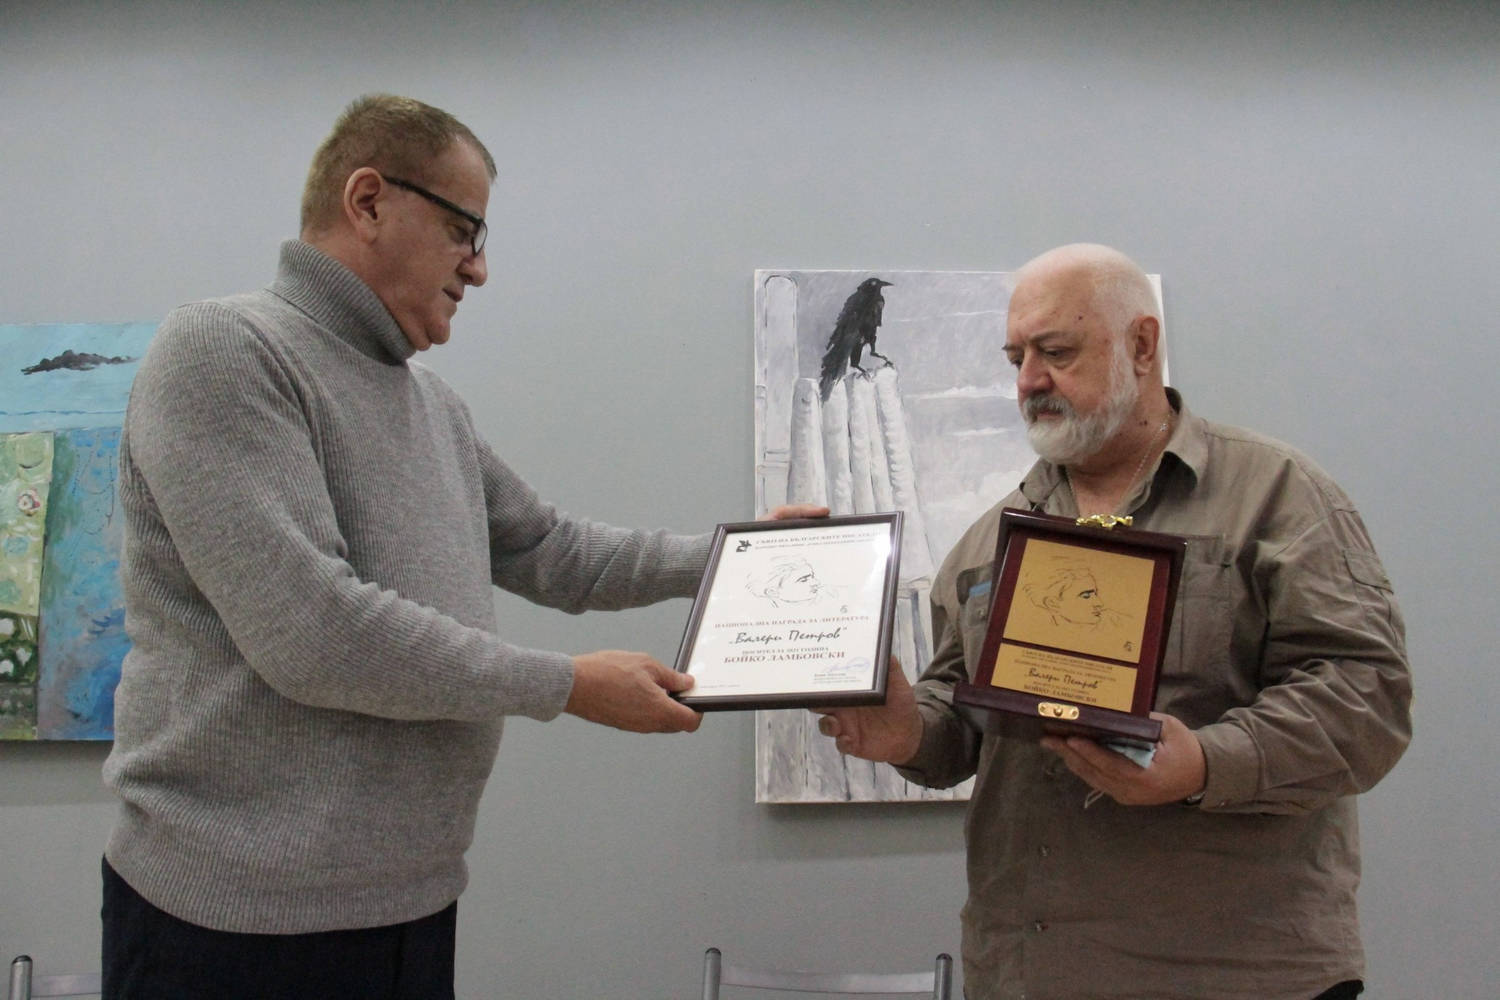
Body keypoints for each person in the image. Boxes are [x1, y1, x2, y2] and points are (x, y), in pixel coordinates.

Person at [100, 94, 818, 1000]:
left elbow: (552, 549)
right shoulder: (222, 352)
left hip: (412, 905)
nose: (478, 268)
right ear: (368, 201)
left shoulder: (431, 405)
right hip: (234, 926)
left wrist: (742, 558)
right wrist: (567, 685)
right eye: (463, 230)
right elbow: (314, 634)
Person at [816, 243, 1411, 1000]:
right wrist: (903, 731)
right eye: (1017, 358)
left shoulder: (1279, 496)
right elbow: (959, 719)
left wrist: (1206, 764)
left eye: (1056, 351)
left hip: (1234, 979)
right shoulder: (988, 540)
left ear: (1142, 345)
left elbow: (1367, 699)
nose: (1029, 379)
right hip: (1026, 976)